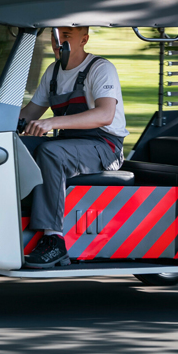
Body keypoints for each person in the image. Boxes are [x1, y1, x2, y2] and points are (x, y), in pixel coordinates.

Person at [19, 26, 126, 268]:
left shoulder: (100, 68)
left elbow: (105, 114)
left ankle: (53, 240)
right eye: (54, 36)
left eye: (66, 36)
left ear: (84, 40)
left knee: (50, 152)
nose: (58, 42)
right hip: (68, 143)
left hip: (104, 146)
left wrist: (52, 122)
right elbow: (28, 114)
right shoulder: (53, 71)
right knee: (16, 146)